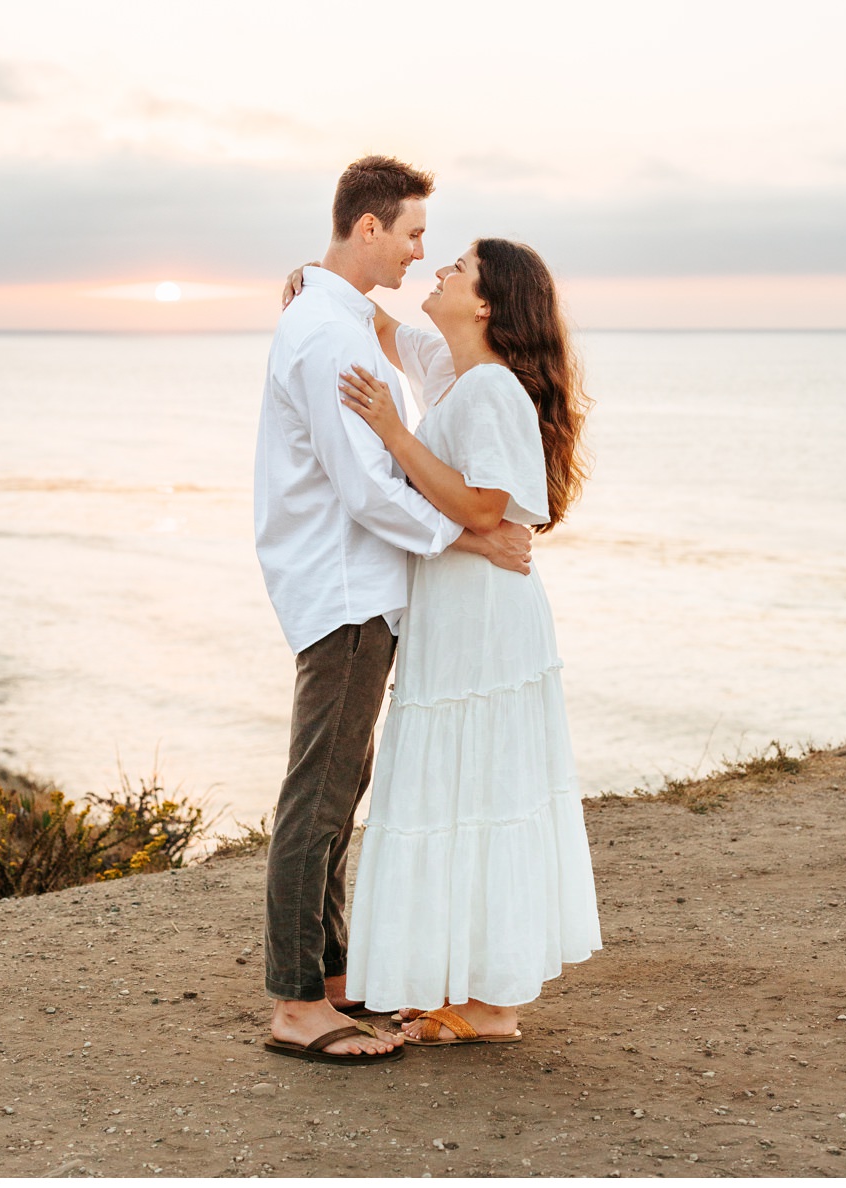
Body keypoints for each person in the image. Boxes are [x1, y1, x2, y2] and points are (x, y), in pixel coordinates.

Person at [254, 155, 534, 1065]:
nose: (423, 252)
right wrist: (473, 538)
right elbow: (369, 492)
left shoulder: (335, 320)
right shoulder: (325, 337)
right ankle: (298, 1005)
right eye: (414, 234)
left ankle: (332, 979)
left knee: (342, 786)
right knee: (321, 792)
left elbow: (393, 359)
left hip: (359, 587)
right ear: (368, 228)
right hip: (346, 586)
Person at [330, 237, 602, 1044]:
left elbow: (487, 507)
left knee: (484, 791)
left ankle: (492, 1006)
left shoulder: (488, 390)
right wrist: (319, 283)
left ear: (484, 303)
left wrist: (391, 430)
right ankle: (475, 988)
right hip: (461, 609)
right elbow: (385, 330)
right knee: (466, 790)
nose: (439, 271)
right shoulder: (459, 375)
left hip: (484, 619)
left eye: (457, 269)